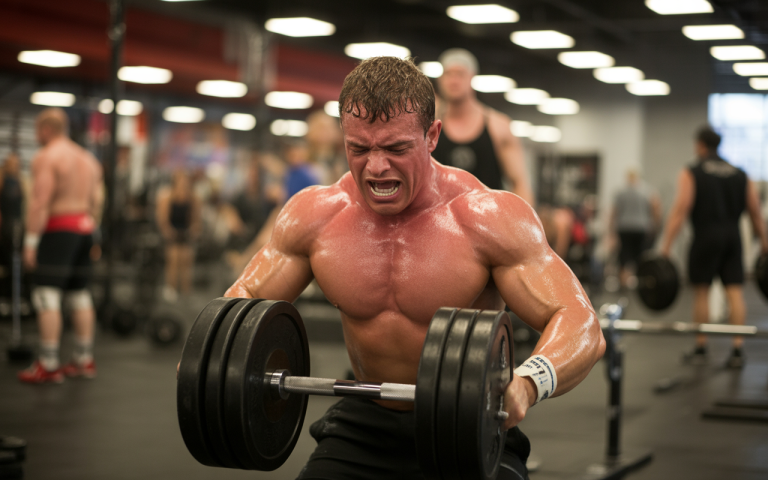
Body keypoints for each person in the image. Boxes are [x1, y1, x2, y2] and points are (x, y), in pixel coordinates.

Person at [224, 57, 605, 479]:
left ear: (432, 135)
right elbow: (238, 311)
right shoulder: (316, 217)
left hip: (467, 426)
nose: (376, 167)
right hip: (363, 423)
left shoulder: (487, 217)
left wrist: (530, 382)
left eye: (395, 148)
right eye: (359, 148)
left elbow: (580, 321)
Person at [660, 126, 768, 368]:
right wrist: (765, 244)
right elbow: (755, 211)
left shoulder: (692, 171)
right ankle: (738, 350)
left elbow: (681, 209)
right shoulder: (740, 173)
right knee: (735, 292)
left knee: (702, 291)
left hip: (705, 236)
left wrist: (665, 246)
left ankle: (701, 346)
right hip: (733, 236)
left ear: (700, 145)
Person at [18, 108, 103, 384]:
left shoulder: (47, 157)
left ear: (45, 129)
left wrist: (30, 242)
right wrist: (95, 237)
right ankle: (83, 359)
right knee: (80, 294)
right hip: (85, 229)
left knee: (46, 295)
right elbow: (96, 202)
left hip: (58, 231)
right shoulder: (88, 159)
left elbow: (40, 201)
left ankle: (49, 363)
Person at [432, 48, 534, 205]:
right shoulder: (428, 125)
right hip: (438, 223)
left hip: (487, 223)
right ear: (440, 79)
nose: (453, 80)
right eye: (448, 74)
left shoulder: (498, 126)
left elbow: (519, 184)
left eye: (460, 74)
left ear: (472, 77)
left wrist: (522, 227)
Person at [609, 169, 661, 289]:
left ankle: (623, 284)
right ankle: (640, 283)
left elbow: (614, 212)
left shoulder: (620, 192)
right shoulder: (647, 191)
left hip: (624, 228)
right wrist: (655, 227)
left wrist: (611, 231)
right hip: (641, 228)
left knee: (624, 257)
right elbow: (655, 209)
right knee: (641, 257)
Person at [156, 170, 201, 302]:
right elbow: (163, 220)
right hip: (173, 233)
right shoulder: (167, 198)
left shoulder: (193, 199)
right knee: (174, 258)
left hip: (185, 233)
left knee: (186, 258)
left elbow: (196, 220)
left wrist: (193, 231)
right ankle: (171, 287)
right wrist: (169, 232)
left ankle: (186, 291)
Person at [0, 153, 26, 298]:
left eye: (17, 164)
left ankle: (16, 292)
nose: (15, 167)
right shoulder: (2, 181)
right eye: (12, 163)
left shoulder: (20, 182)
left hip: (18, 225)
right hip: (5, 226)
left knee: (16, 260)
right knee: (8, 259)